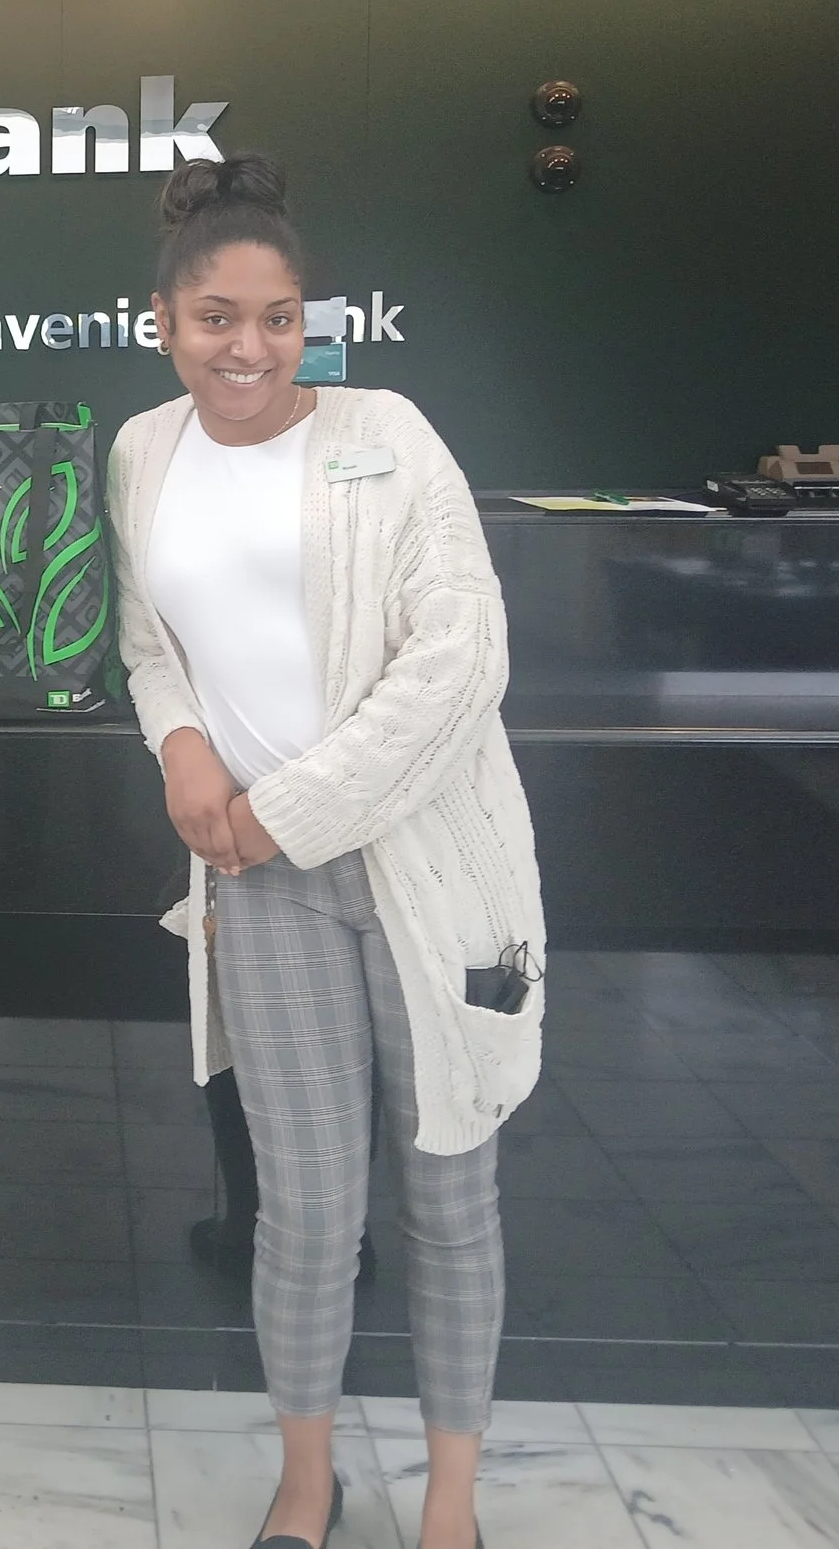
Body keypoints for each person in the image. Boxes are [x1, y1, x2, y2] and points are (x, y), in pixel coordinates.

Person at [110, 154, 545, 1549]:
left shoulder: (388, 432)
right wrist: (182, 748)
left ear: (313, 320)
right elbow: (146, 641)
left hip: (433, 871)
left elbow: (461, 655)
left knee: (451, 1186)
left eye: (280, 316)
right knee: (302, 1205)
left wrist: (281, 807)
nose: (250, 347)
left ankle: (454, 1503)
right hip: (263, 887)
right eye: (219, 317)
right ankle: (306, 1481)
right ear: (164, 320)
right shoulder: (143, 452)